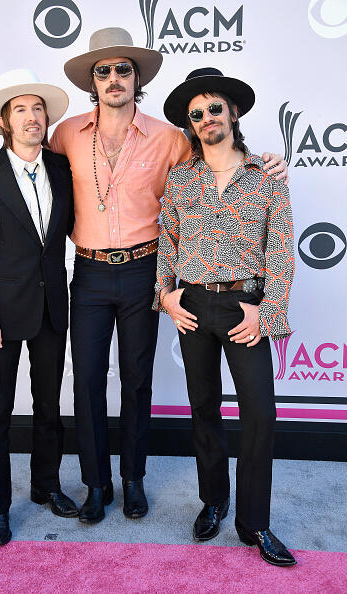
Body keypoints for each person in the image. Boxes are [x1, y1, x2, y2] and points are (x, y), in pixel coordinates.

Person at [0, 29, 289, 525]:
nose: (114, 78)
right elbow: (20, 157)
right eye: (104, 71)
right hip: (89, 273)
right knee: (88, 382)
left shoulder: (171, 138)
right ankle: (98, 484)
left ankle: (133, 479)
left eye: (123, 70)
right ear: (93, 82)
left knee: (138, 382)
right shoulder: (65, 133)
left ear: (137, 78)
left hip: (143, 271)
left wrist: (268, 160)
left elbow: (217, 162)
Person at [155, 68, 296, 566]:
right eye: (196, 114)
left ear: (233, 112)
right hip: (192, 304)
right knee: (203, 407)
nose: (207, 118)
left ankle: (254, 522)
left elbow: (281, 253)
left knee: (260, 413)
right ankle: (213, 500)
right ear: (190, 125)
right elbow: (167, 242)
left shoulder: (267, 175)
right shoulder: (180, 177)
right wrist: (166, 296)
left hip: (245, 306)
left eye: (215, 108)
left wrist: (267, 312)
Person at [0, 69, 78, 547]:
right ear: (5, 122)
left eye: (37, 108)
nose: (32, 117)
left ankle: (46, 485)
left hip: (52, 304)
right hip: (0, 314)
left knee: (49, 405)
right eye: (21, 110)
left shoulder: (62, 167)